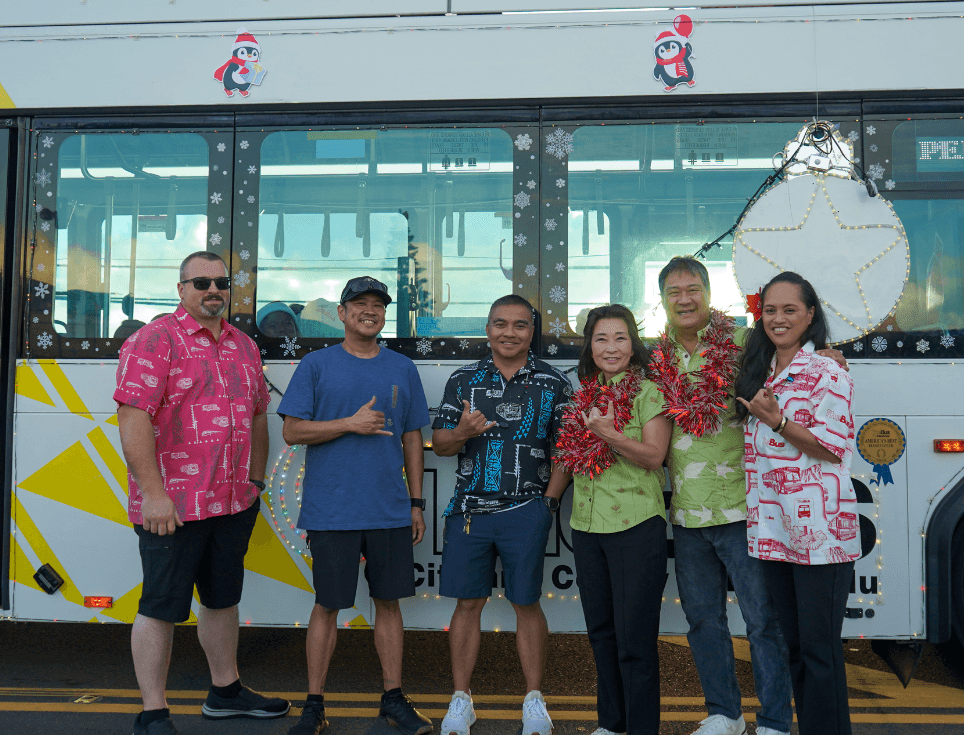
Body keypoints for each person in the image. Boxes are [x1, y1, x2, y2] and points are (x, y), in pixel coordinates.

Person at [113, 251, 289, 735]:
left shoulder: (243, 346)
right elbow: (133, 417)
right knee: (161, 605)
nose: (213, 290)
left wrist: (254, 480)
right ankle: (153, 713)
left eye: (221, 282)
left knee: (222, 600)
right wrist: (153, 494)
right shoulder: (154, 340)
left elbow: (257, 414)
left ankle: (225, 692)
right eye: (201, 282)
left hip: (233, 500)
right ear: (181, 289)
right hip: (174, 506)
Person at [279, 276, 433, 735]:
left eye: (378, 305)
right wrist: (350, 423)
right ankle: (314, 705)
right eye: (359, 304)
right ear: (342, 314)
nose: (370, 311)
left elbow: (412, 438)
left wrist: (416, 503)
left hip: (388, 509)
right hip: (333, 509)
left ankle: (393, 698)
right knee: (327, 605)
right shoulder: (316, 365)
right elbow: (292, 431)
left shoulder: (403, 368)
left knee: (388, 604)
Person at [650, 256, 793, 735]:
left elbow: (793, 358)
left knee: (762, 621)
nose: (684, 299)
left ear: (709, 294)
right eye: (674, 291)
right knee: (704, 622)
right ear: (663, 299)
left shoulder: (744, 343)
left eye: (693, 289)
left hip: (743, 507)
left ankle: (774, 720)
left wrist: (826, 350)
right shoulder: (656, 355)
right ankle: (724, 715)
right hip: (686, 512)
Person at [432, 294, 572, 735]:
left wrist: (547, 504)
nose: (509, 333)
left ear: (532, 331)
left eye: (519, 325)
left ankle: (534, 700)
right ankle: (461, 700)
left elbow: (566, 452)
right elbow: (440, 444)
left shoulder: (555, 383)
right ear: (487, 329)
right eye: (499, 324)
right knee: (467, 604)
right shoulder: (463, 379)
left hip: (527, 510)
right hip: (469, 511)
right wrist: (461, 432)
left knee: (526, 603)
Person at [736, 271, 859, 735]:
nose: (779, 318)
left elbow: (833, 447)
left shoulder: (829, 371)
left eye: (790, 309)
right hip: (773, 533)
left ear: (810, 315)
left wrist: (779, 420)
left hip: (821, 535)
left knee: (820, 652)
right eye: (770, 310)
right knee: (795, 649)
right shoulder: (759, 368)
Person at [553, 305, 672, 735]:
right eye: (601, 338)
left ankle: (641, 728)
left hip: (636, 528)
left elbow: (654, 457)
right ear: (589, 345)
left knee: (635, 640)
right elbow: (569, 458)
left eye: (620, 338)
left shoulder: (649, 392)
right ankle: (612, 724)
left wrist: (609, 434)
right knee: (601, 634)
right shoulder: (584, 393)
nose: (611, 347)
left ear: (633, 343)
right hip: (586, 527)